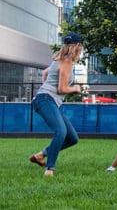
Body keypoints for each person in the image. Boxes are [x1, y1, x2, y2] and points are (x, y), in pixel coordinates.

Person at [29, 33, 83, 176]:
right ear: (78, 46)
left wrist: (46, 87)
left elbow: (45, 73)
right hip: (46, 99)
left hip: (48, 99)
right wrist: (76, 88)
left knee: (72, 138)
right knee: (61, 131)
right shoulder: (66, 61)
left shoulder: (59, 59)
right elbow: (62, 89)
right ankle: (49, 169)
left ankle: (41, 155)